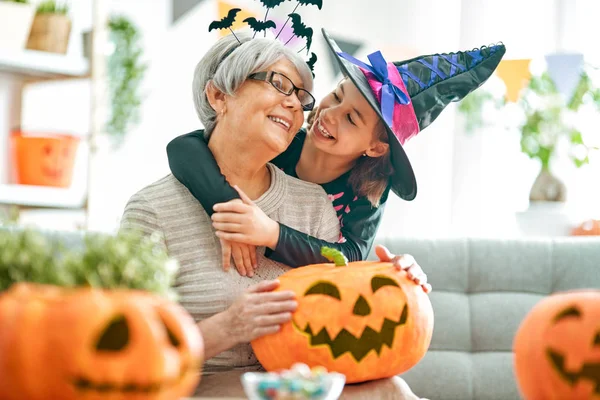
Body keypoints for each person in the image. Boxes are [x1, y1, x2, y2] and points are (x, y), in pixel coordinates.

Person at [120, 31, 429, 383]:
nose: (298, 105)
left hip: (296, 388)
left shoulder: (319, 204)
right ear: (219, 95)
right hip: (199, 386)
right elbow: (128, 355)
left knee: (395, 390)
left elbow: (346, 293)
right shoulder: (152, 211)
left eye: (300, 95)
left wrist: (395, 278)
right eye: (279, 83)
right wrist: (229, 325)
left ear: (374, 148)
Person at [166, 28, 506, 281]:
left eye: (351, 118)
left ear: (375, 147)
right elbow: (184, 148)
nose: (330, 114)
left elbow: (352, 256)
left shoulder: (368, 191)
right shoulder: (282, 143)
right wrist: (231, 209)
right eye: (337, 96)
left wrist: (270, 233)